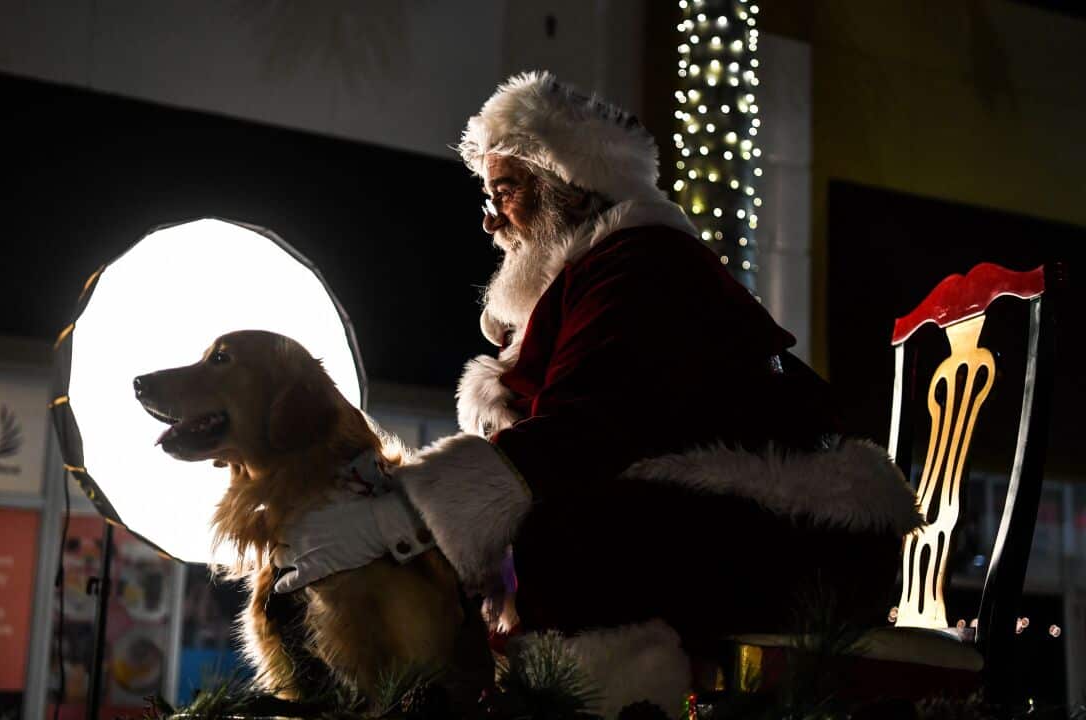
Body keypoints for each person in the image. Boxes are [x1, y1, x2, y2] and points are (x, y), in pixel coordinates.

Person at [271, 71, 920, 715]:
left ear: (572, 189)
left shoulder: (641, 265)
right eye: (488, 197)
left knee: (573, 538)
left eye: (507, 191)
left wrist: (398, 520)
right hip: (753, 523)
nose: (493, 220)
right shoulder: (602, 271)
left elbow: (589, 430)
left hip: (808, 541)